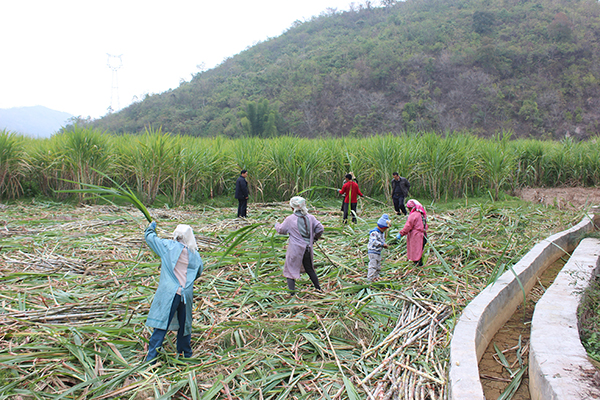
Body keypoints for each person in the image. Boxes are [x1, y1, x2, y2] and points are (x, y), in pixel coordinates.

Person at [144, 221, 203, 363]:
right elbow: (199, 271)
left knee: (161, 324)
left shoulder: (168, 247)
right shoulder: (194, 255)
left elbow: (150, 239)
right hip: (185, 294)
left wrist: (150, 228)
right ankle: (184, 355)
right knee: (184, 326)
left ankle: (151, 359)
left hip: (170, 293)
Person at [275, 196, 324, 295]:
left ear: (293, 208)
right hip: (308, 248)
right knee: (310, 269)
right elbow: (320, 228)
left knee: (290, 270)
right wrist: (314, 238)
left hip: (295, 249)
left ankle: (292, 293)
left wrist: (276, 224)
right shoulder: (311, 217)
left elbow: (281, 230)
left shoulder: (290, 219)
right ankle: (318, 289)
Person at [397, 199, 428, 267]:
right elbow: (425, 225)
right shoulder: (421, 214)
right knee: (420, 250)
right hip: (423, 235)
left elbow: (408, 226)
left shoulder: (413, 215)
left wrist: (401, 233)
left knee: (416, 250)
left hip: (416, 236)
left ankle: (418, 265)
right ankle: (419, 264)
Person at [367, 214, 391, 281]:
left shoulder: (381, 233)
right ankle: (370, 279)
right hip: (373, 252)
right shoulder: (374, 233)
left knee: (378, 266)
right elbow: (374, 242)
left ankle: (376, 277)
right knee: (373, 266)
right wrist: (382, 244)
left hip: (378, 252)